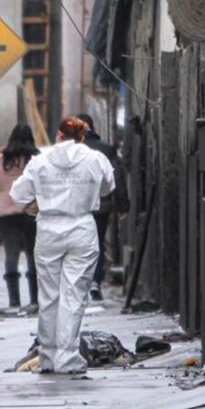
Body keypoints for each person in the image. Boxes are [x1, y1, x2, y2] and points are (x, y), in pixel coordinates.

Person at [11, 117, 115, 374]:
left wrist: (42, 197)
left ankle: (47, 356)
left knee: (49, 295)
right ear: (82, 136)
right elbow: (107, 187)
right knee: (74, 294)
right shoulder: (95, 159)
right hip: (81, 227)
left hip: (49, 228)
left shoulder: (41, 161)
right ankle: (68, 357)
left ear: (58, 135)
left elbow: (18, 194)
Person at [0, 124, 40, 312]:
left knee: (11, 253)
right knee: (33, 255)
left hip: (4, 212)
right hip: (31, 211)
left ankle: (14, 302)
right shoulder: (36, 160)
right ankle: (35, 300)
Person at [76, 113, 127, 301]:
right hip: (100, 205)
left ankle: (79, 282)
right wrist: (122, 204)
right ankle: (95, 281)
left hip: (72, 207)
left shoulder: (67, 152)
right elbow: (116, 178)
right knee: (96, 244)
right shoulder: (105, 150)